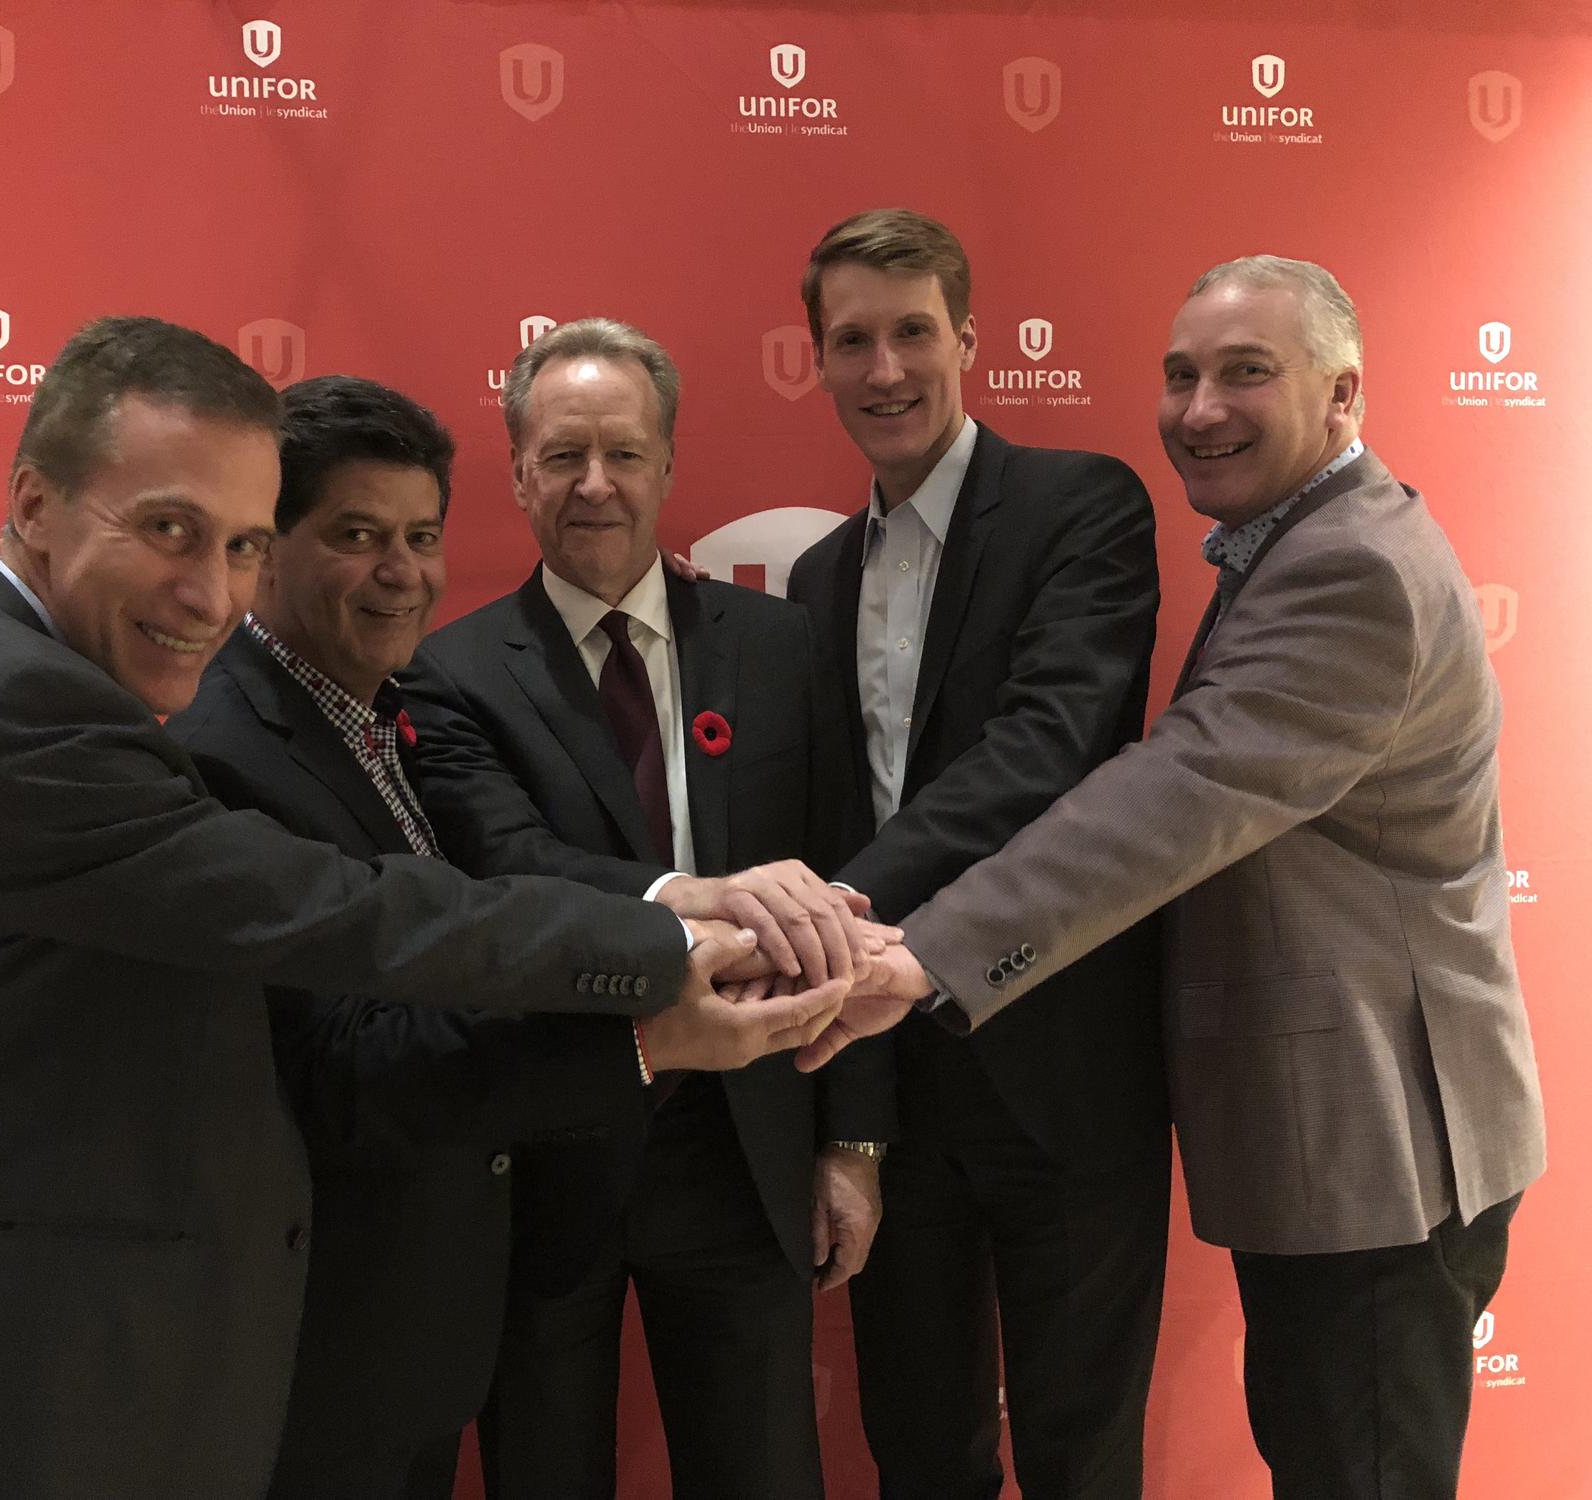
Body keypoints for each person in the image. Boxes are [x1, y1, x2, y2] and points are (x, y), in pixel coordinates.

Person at [0, 317, 852, 1500]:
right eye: (167, 530)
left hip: (40, 1357)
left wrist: (688, 920)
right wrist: (672, 959)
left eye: (235, 543)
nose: (208, 592)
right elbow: (351, 918)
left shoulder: (77, 686)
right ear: (33, 503)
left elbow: (475, 881)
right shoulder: (15, 715)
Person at [803, 256, 1547, 1500]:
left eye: (1245, 372)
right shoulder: (1295, 545)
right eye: (1180, 374)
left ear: (1342, 392)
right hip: (1345, 1150)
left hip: (1383, 1148)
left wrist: (920, 951)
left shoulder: (1349, 566)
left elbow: (1173, 795)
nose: (1199, 408)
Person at [169, 374, 724, 1497]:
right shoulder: (221, 753)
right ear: (263, 549)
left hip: (421, 1333)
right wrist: (644, 1039)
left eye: (421, 537)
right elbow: (340, 1069)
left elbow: (513, 878)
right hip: (310, 1350)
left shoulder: (395, 703)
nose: (403, 572)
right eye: (357, 536)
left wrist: (701, 910)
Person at [401, 318, 898, 1500]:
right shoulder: (448, 673)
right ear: (517, 473)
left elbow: (849, 882)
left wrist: (853, 1142)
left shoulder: (781, 647)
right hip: (550, 1141)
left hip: (745, 1141)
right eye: (562, 456)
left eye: (622, 453)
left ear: (667, 463)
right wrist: (686, 897)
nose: (594, 485)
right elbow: (507, 865)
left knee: (762, 1472)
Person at [786, 209, 1169, 1499]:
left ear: (967, 339)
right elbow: (828, 804)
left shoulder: (1079, 505)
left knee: (1079, 1455)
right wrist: (848, 1121)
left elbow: (1044, 747)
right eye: (852, 341)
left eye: (911, 332)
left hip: (1064, 1068)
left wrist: (841, 903)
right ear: (816, 360)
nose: (885, 369)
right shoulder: (817, 579)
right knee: (918, 1451)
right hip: (893, 1086)